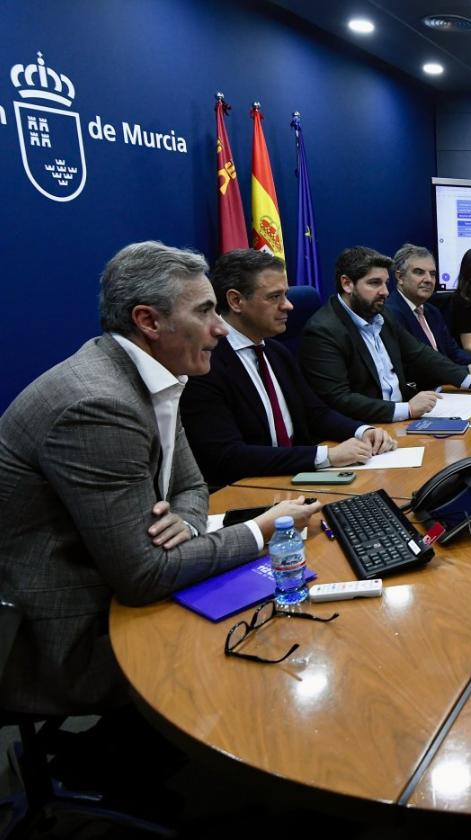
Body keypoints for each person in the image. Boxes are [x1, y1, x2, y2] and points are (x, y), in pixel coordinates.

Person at [0, 241, 320, 715]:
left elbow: (192, 487)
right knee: (270, 655)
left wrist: (188, 525)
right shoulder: (97, 404)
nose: (218, 328)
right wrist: (265, 527)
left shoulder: (154, 373)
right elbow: (144, 574)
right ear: (148, 321)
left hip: (111, 581)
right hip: (63, 635)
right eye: (206, 311)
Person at [181, 248, 395, 487]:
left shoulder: (276, 352)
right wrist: (326, 456)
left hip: (296, 481)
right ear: (236, 301)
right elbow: (227, 456)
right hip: (245, 491)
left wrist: (362, 431)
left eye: (286, 295)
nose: (289, 306)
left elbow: (316, 413)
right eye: (275, 297)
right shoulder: (204, 363)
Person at [300, 246, 471, 425]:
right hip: (369, 428)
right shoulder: (324, 330)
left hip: (404, 419)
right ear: (347, 284)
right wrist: (407, 409)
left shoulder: (381, 315)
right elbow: (339, 400)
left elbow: (420, 354)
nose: (385, 292)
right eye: (374, 283)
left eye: (385, 283)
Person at [386, 242, 471, 379]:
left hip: (447, 387)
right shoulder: (390, 314)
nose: (428, 280)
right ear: (400, 277)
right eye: (419, 272)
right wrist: (464, 371)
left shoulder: (432, 311)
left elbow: (453, 352)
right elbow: (412, 367)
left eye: (432, 274)